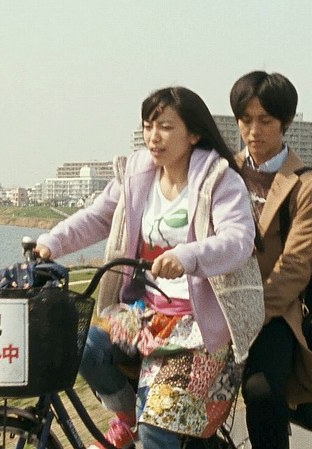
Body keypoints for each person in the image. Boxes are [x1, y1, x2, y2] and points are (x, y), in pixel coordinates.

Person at [35, 86, 263, 449]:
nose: (153, 136)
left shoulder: (219, 179)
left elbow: (238, 240)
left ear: (194, 133)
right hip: (144, 315)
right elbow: (99, 216)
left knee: (157, 428)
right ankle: (128, 419)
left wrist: (187, 256)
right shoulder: (138, 173)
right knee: (85, 344)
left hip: (198, 330)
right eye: (148, 126)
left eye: (166, 127)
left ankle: (149, 426)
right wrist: (52, 243)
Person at [230, 71, 312, 449]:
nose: (253, 131)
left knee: (261, 392)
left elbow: (294, 266)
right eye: (246, 119)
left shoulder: (308, 184)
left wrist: (248, 314)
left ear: (286, 122)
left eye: (265, 120)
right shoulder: (223, 172)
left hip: (273, 309)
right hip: (216, 303)